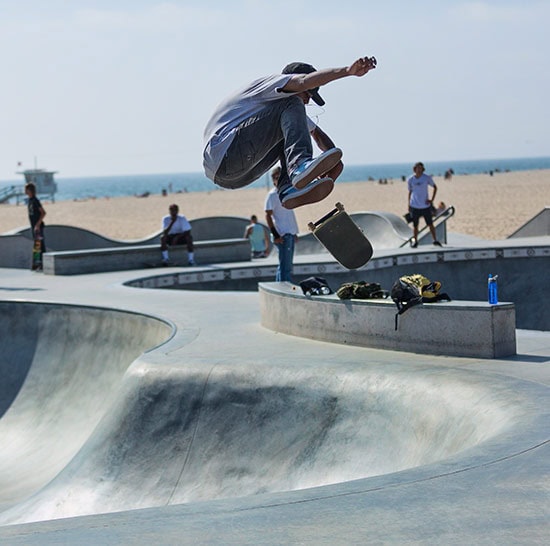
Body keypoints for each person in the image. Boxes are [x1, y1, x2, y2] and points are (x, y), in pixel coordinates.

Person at [203, 55, 377, 210]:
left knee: (288, 130)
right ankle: (299, 165)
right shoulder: (273, 86)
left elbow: (317, 135)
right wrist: (347, 71)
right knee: (293, 103)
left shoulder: (280, 113)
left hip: (234, 178)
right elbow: (302, 83)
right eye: (309, 94)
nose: (308, 100)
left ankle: (287, 188)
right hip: (225, 153)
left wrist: (336, 163)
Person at [265, 166, 299, 281]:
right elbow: (268, 215)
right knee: (285, 267)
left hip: (289, 233)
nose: (278, 180)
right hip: (282, 235)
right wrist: (275, 235)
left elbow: (288, 215)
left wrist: (294, 232)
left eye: (280, 177)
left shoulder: (287, 192)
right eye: (276, 177)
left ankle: (282, 286)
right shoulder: (272, 195)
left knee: (287, 266)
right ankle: (284, 289)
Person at [407, 162, 442, 247]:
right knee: (415, 225)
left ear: (423, 169)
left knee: (430, 224)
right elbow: (410, 192)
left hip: (425, 206)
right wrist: (408, 204)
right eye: (417, 168)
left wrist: (432, 200)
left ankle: (435, 240)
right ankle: (415, 240)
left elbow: (435, 187)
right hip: (414, 205)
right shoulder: (410, 179)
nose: (419, 170)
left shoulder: (426, 178)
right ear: (414, 169)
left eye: (421, 168)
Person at [25, 182, 46, 267]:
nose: (25, 191)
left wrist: (37, 225)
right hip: (34, 227)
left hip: (38, 227)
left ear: (30, 190)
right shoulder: (30, 200)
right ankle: (37, 263)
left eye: (26, 189)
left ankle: (40, 263)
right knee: (37, 245)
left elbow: (43, 213)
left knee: (39, 245)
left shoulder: (35, 200)